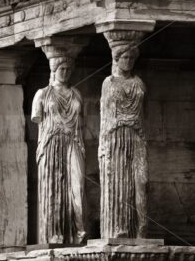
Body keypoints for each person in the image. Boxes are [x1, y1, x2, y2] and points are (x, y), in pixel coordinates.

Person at [31, 56, 87, 244]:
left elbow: (82, 123)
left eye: (68, 69)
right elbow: (37, 118)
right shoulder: (42, 94)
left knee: (77, 187)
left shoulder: (76, 94)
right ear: (53, 70)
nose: (65, 72)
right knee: (53, 189)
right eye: (61, 68)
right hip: (51, 144)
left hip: (73, 143)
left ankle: (77, 231)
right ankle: (54, 235)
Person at [99, 44, 148, 239]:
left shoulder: (139, 83)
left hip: (136, 136)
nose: (128, 61)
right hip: (115, 136)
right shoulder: (108, 83)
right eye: (124, 57)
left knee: (142, 182)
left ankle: (141, 229)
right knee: (119, 183)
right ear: (116, 59)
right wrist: (103, 145)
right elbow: (104, 114)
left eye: (131, 58)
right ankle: (120, 229)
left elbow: (145, 114)